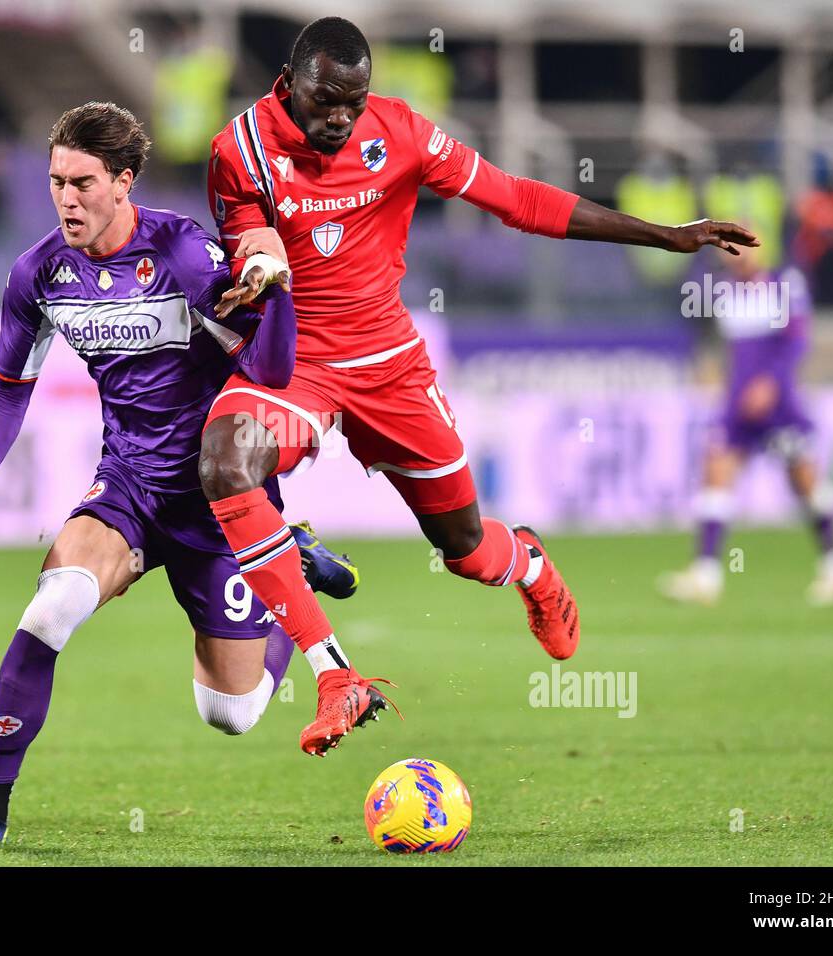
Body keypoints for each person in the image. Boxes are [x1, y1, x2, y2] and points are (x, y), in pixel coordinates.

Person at [199, 17, 759, 755]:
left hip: (392, 369)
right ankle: (335, 674)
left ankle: (527, 561)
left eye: (353, 102)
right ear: (288, 82)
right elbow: (252, 238)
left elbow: (517, 200)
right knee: (223, 459)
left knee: (463, 547)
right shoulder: (238, 150)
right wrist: (260, 268)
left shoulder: (399, 133)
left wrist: (667, 234)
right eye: (325, 99)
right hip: (296, 368)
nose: (340, 116)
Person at [0, 102, 357, 846]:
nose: (66, 198)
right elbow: (8, 386)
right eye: (57, 181)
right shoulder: (40, 274)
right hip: (127, 485)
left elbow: (274, 368)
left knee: (233, 713)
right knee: (53, 605)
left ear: (124, 182)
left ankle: (288, 560)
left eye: (83, 182)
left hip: (221, 499)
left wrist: (276, 293)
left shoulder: (185, 256)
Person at [658, 244, 833, 606]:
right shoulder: (723, 291)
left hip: (777, 403)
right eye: (729, 250)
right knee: (716, 469)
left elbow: (796, 341)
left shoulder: (785, 283)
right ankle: (706, 575)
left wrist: (770, 383)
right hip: (739, 405)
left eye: (743, 248)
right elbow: (730, 350)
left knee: (803, 478)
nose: (736, 256)